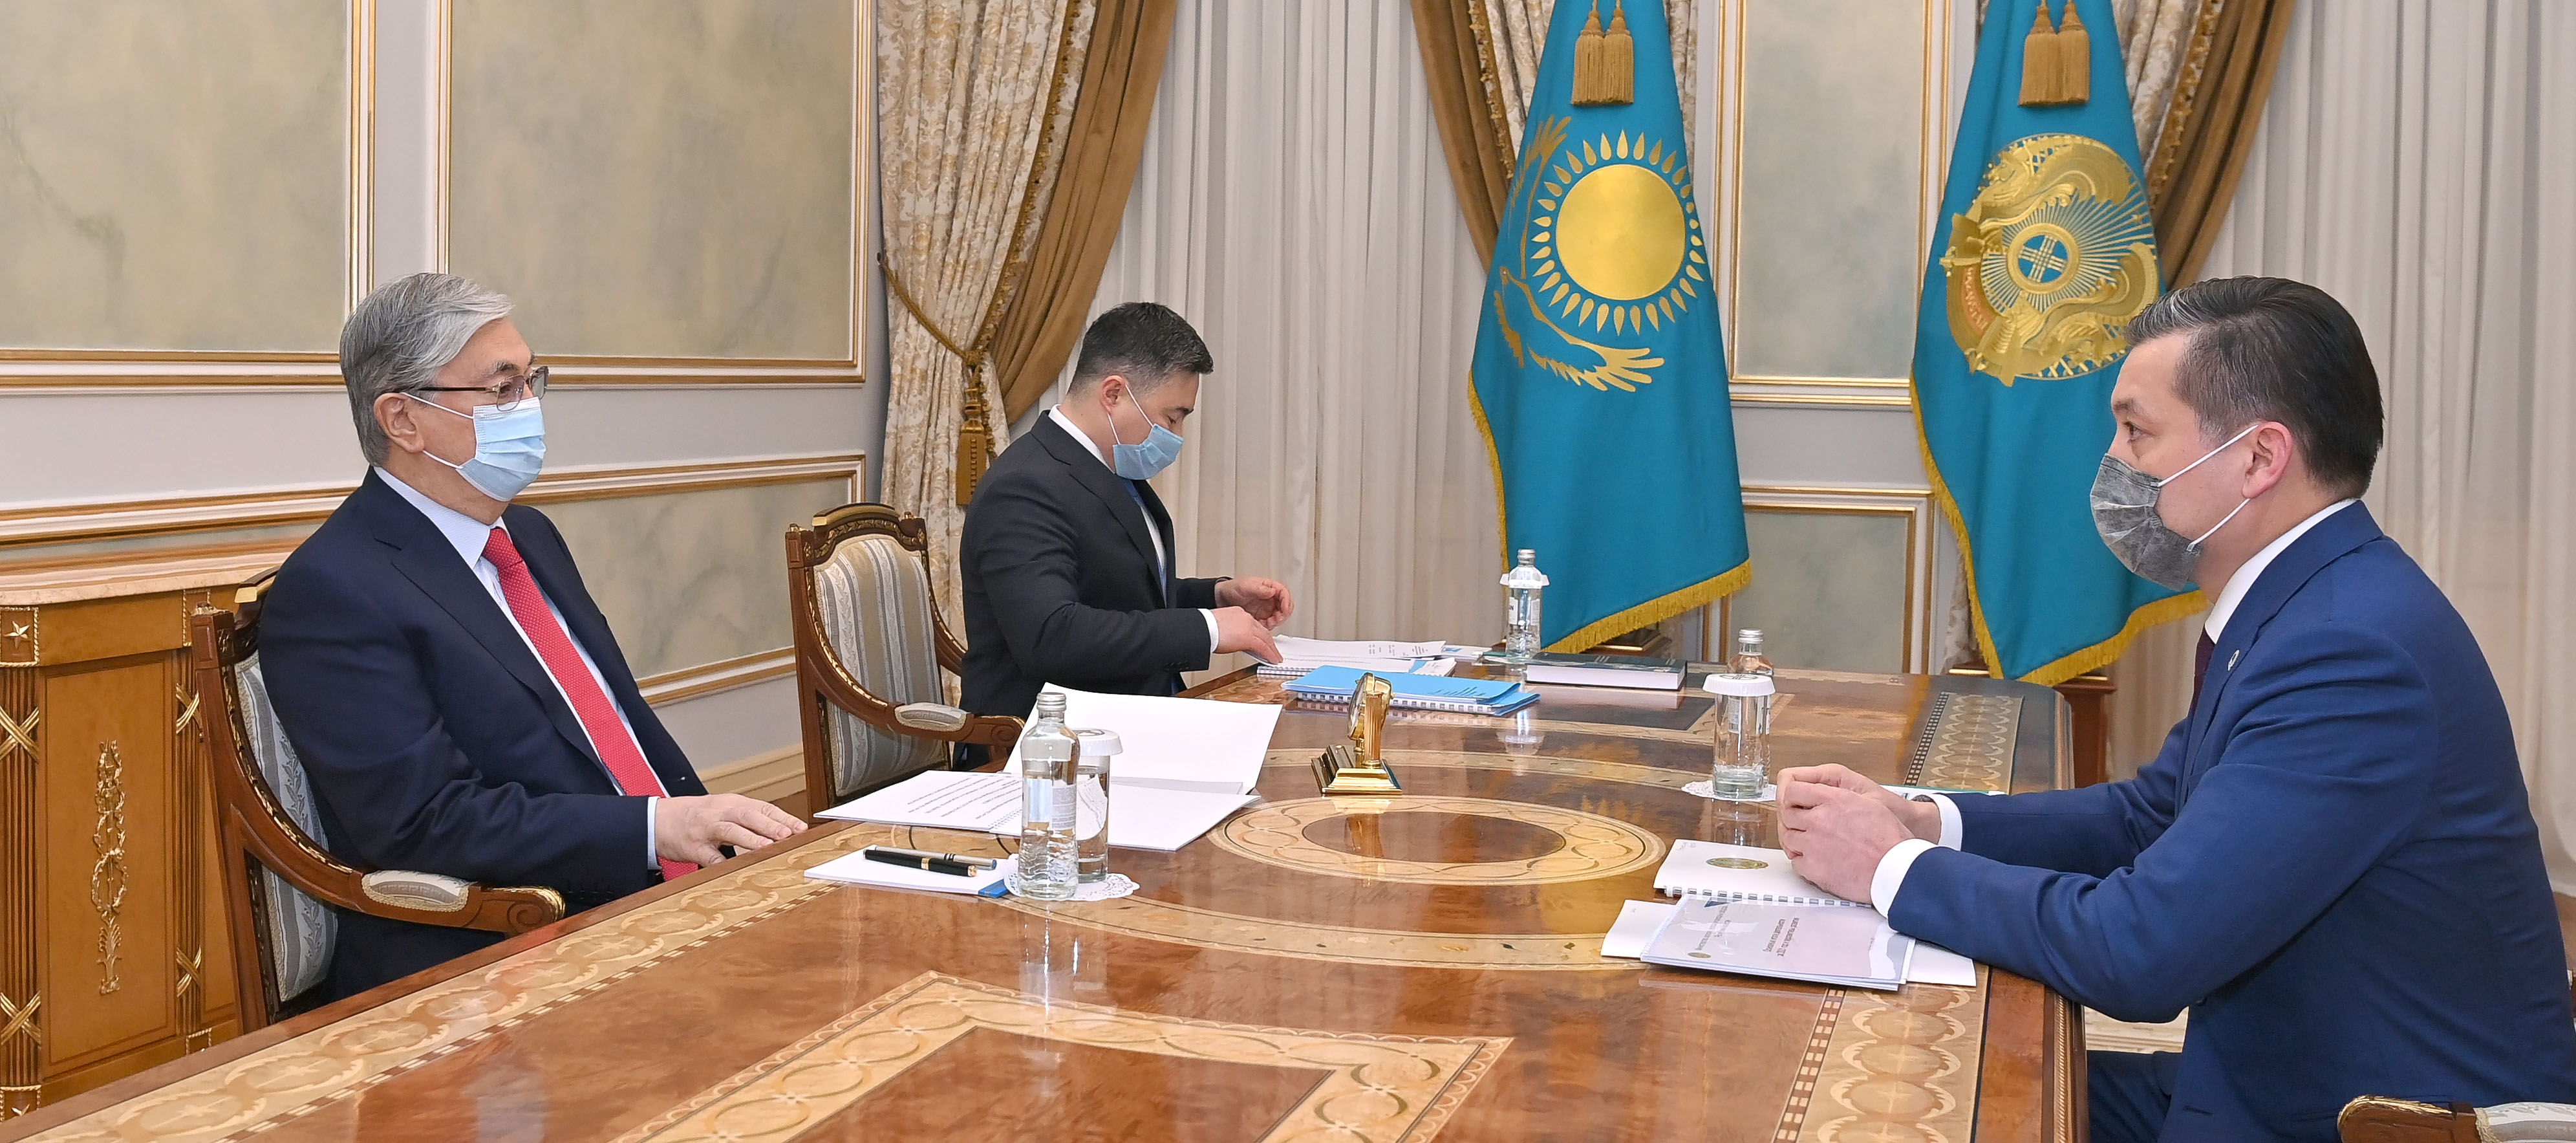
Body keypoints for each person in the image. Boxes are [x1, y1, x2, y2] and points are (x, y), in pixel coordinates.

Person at [1776, 277, 2576, 1142]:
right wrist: (1928, 821)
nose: (2114, 462)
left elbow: (2138, 951)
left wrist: (1888, 866)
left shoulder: (2349, 654)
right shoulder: (2311, 601)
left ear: (2259, 459)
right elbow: (2153, 814)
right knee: (1914, 1082)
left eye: (2137, 431)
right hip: (2270, 1078)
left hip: (2369, 1123)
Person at [262, 273, 806, 1000]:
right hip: (494, 953)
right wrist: (656, 830)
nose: (528, 407)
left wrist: (712, 844)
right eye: (502, 388)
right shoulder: (334, 590)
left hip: (649, 898)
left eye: (531, 381)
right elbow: (426, 823)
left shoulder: (528, 535)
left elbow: (616, 729)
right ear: (403, 420)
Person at [958, 301, 1293, 719]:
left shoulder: (1108, 467)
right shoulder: (1024, 485)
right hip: (1054, 736)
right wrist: (1207, 628)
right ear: (1113, 394)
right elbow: (1051, 635)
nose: (1177, 435)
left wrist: (1217, 595)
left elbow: (1116, 592)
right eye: (1172, 418)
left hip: (1131, 714)